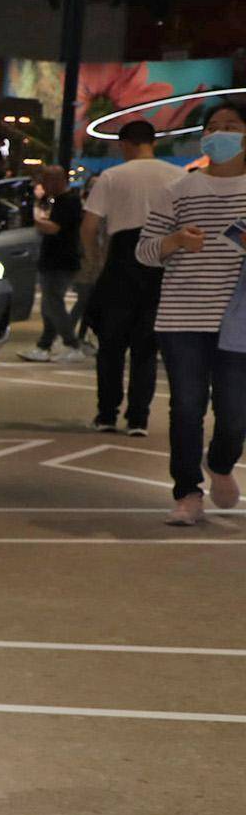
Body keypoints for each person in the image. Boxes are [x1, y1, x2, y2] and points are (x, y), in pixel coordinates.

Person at [136, 99, 246, 527]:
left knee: (235, 412)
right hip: (181, 317)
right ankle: (187, 492)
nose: (221, 133)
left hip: (238, 320)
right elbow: (144, 251)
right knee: (186, 407)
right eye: (213, 127)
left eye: (232, 126)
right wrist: (176, 241)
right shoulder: (178, 189)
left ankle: (220, 463)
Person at [83, 120, 178, 435]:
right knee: (146, 348)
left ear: (124, 144)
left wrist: (95, 262)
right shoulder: (178, 176)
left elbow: (89, 227)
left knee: (110, 346)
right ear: (153, 142)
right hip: (160, 262)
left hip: (121, 263)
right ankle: (138, 418)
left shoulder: (112, 176)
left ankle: (106, 414)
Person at [21, 164, 87, 362]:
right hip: (54, 259)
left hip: (61, 260)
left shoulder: (69, 201)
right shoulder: (58, 201)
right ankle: (45, 344)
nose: (44, 185)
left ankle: (71, 343)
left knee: (53, 304)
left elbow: (55, 228)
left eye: (46, 180)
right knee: (49, 305)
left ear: (58, 180)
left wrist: (34, 220)